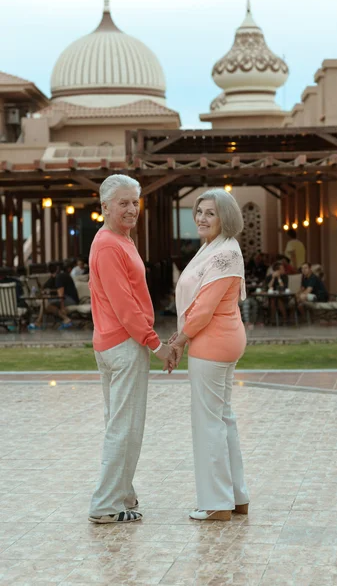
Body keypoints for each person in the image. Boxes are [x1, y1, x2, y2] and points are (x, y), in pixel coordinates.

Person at [88, 174, 175, 525]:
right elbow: (124, 304)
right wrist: (156, 344)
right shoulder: (110, 244)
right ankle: (106, 504)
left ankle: (121, 494)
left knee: (119, 424)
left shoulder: (119, 239)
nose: (131, 209)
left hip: (115, 343)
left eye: (134, 202)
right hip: (123, 345)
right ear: (105, 206)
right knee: (125, 427)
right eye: (122, 203)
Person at [169, 188, 249, 522]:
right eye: (199, 211)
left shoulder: (224, 254)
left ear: (225, 218)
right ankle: (236, 497)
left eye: (210, 213)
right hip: (221, 340)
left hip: (212, 342)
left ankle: (216, 503)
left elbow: (202, 309)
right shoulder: (214, 248)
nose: (202, 218)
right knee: (223, 419)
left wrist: (180, 341)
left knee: (209, 424)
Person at [27, 262, 77, 330]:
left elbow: (61, 295)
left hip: (71, 300)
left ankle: (39, 322)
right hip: (67, 298)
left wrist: (62, 308)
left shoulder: (60, 277)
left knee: (45, 304)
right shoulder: (57, 276)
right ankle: (39, 322)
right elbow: (44, 287)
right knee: (45, 304)